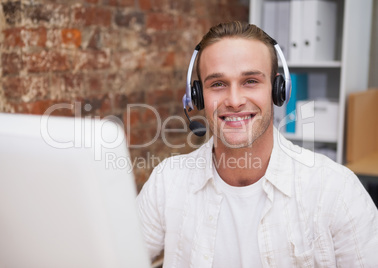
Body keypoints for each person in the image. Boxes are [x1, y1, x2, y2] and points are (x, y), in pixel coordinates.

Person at [136, 21, 378, 267]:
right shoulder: (167, 183)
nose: (234, 100)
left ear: (277, 89)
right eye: (217, 84)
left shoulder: (336, 191)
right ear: (197, 96)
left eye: (250, 81)